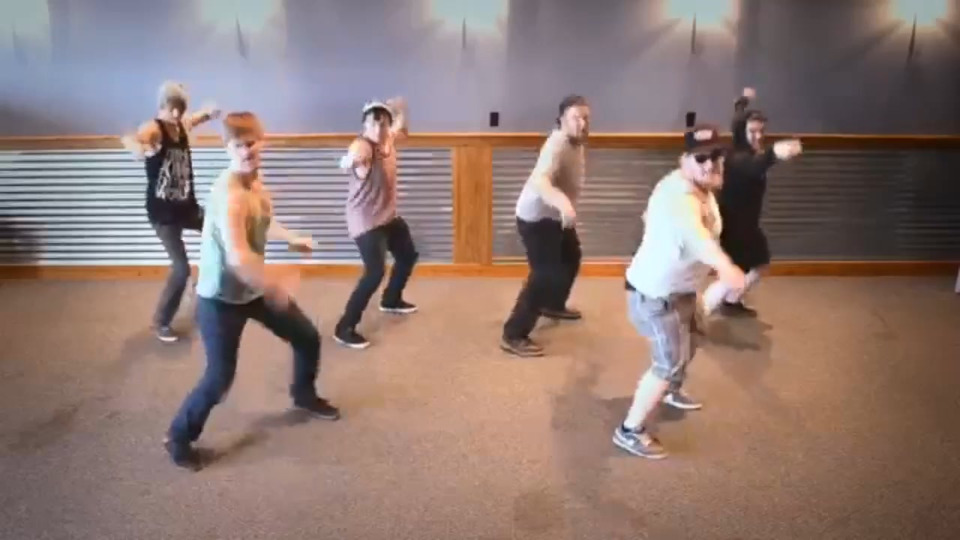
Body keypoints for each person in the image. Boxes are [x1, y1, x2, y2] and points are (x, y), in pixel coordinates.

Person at [164, 111, 340, 470]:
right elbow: (239, 257)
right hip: (220, 299)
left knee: (307, 337)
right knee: (219, 379)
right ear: (227, 148)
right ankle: (178, 437)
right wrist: (272, 283)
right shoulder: (229, 196)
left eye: (251, 143)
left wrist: (291, 238)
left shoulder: (257, 187)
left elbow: (263, 220)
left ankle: (304, 394)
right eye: (238, 145)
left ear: (262, 142)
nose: (247, 151)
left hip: (252, 290)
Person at [613, 124, 746, 459]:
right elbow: (697, 237)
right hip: (656, 297)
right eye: (701, 158)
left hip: (682, 289)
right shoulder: (681, 197)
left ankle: (670, 389)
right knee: (669, 361)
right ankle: (629, 430)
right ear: (684, 160)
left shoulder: (698, 187)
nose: (710, 164)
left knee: (696, 334)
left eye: (716, 156)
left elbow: (651, 216)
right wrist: (726, 267)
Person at [120, 81, 220, 343]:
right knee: (181, 269)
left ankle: (204, 288)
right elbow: (138, 140)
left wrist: (208, 113)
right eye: (172, 109)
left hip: (187, 207)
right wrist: (137, 147)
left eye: (180, 110)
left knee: (220, 231)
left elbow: (194, 119)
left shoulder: (181, 125)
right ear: (162, 105)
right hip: (163, 215)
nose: (176, 114)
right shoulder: (154, 128)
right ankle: (161, 321)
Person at [500, 95, 590, 358]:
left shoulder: (575, 142)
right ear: (562, 120)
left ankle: (553, 304)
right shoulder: (557, 143)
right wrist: (564, 204)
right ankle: (513, 334)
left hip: (555, 217)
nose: (582, 123)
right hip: (536, 219)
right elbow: (541, 181)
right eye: (576, 117)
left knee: (571, 257)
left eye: (586, 118)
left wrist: (563, 208)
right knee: (545, 273)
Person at [702, 87, 802, 316]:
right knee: (738, 273)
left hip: (743, 224)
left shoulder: (739, 150)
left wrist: (742, 102)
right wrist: (775, 153)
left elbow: (738, 118)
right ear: (741, 132)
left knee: (753, 266)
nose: (759, 136)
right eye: (753, 132)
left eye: (761, 131)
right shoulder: (739, 159)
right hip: (736, 228)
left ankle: (730, 301)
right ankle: (700, 312)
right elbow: (756, 166)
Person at [333, 98, 419, 350]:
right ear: (364, 126)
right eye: (373, 124)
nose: (378, 129)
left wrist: (401, 110)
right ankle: (344, 328)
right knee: (374, 273)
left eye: (383, 124)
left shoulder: (388, 138)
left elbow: (402, 128)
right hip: (365, 221)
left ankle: (391, 299)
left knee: (407, 255)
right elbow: (351, 158)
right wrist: (349, 161)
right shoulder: (363, 146)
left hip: (387, 216)